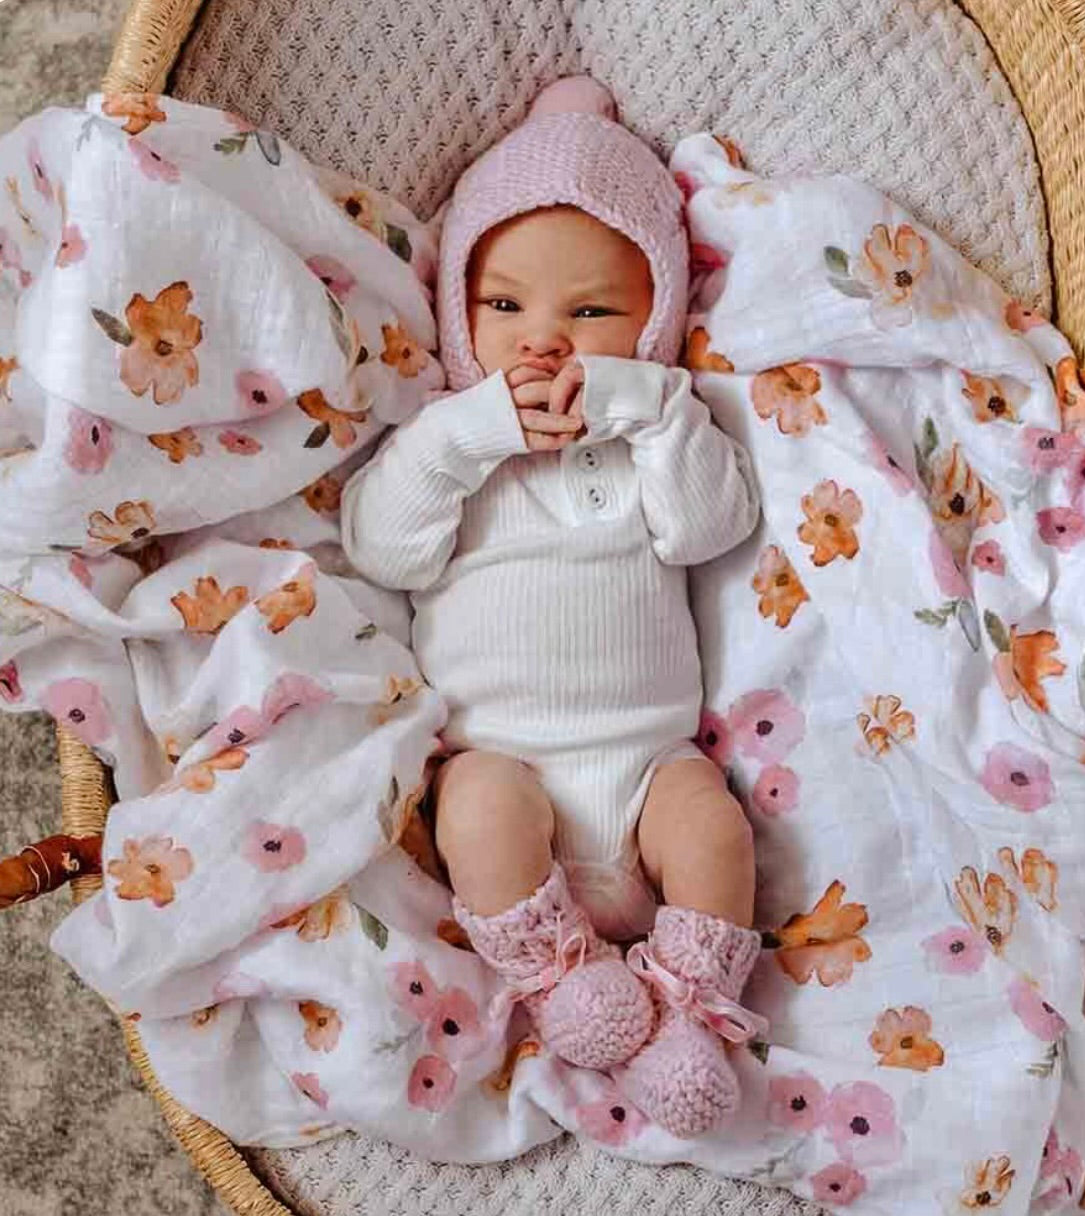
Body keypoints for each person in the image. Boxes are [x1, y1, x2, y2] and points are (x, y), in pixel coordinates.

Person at [341, 76, 765, 1139]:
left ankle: (684, 1005)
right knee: (473, 796)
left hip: (645, 772)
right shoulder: (449, 447)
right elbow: (380, 547)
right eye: (504, 306)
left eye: (589, 313)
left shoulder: (655, 433)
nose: (544, 342)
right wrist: (466, 431)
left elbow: (710, 527)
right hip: (509, 778)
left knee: (713, 824)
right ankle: (559, 981)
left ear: (655, 322)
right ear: (459, 314)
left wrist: (642, 404)